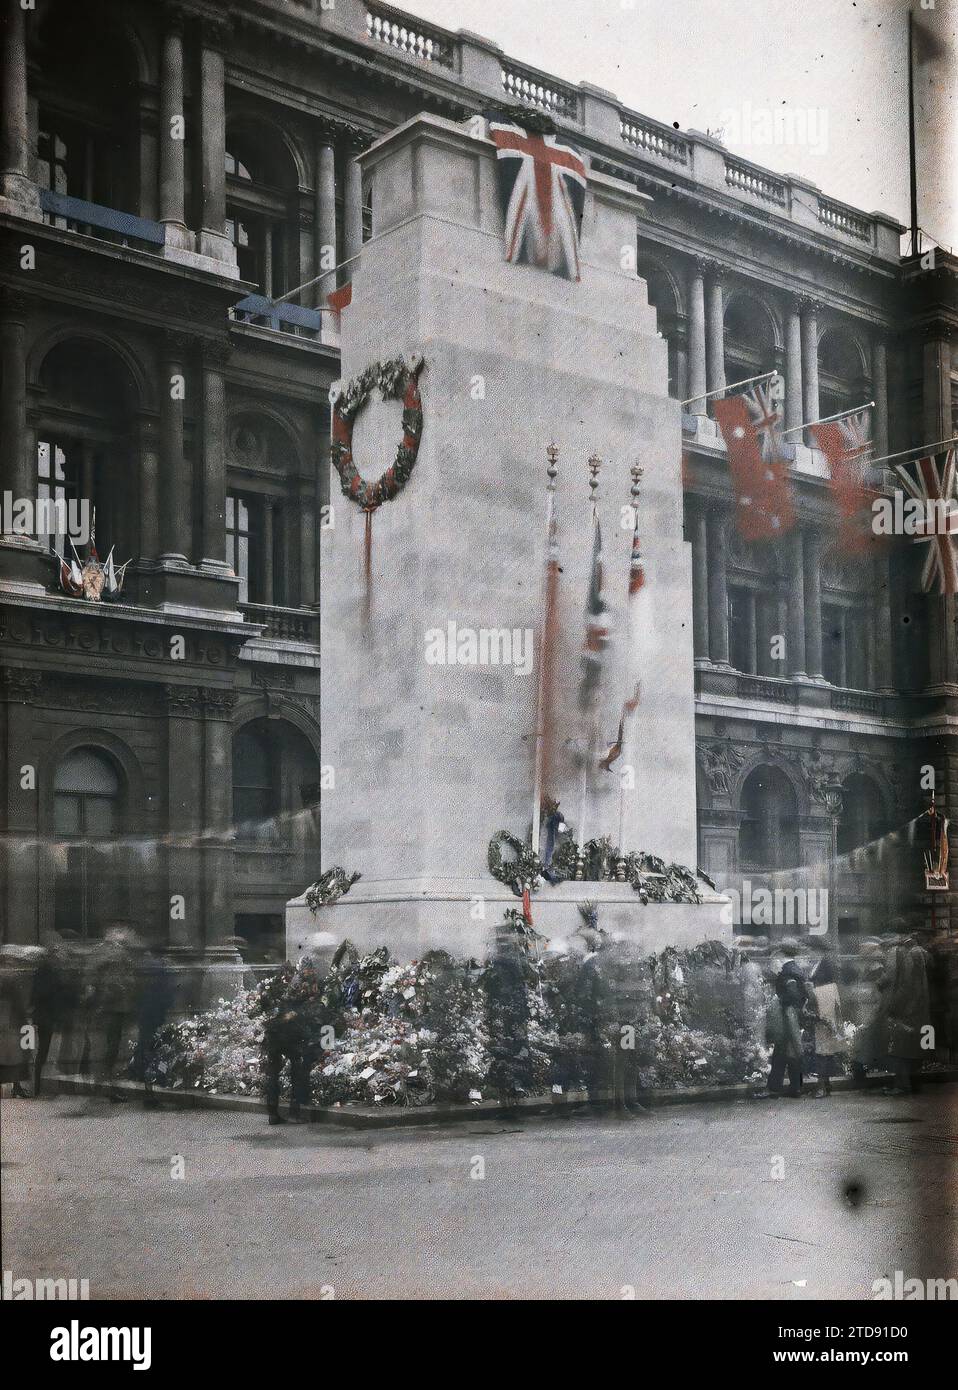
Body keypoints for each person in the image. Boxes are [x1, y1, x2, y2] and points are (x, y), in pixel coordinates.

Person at [251, 955, 325, 1124]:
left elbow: (263, 1007)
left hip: (274, 1032)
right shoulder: (304, 985)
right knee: (296, 1072)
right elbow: (307, 1009)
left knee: (273, 1073)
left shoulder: (272, 985)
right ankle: (294, 1112)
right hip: (291, 1033)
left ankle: (273, 1114)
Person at [756, 942, 810, 1099]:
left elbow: (792, 994)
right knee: (790, 1052)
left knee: (781, 1052)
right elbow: (802, 994)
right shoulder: (796, 969)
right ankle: (796, 1088)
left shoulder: (787, 972)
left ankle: (774, 1088)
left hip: (786, 1016)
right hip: (792, 1015)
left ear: (780, 954)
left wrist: (779, 1000)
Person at [31, 931, 82, 1097]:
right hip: (46, 1017)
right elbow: (41, 993)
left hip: (50, 1016)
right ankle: (38, 1088)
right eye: (54, 953)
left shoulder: (53, 971)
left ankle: (42, 1088)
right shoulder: (45, 971)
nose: (57, 956)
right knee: (45, 1053)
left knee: (47, 1052)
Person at [882, 931, 932, 1095]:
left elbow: (906, 985)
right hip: (923, 1007)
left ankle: (902, 1085)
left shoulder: (909, 955)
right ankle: (915, 1083)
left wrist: (894, 1007)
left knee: (901, 1048)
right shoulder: (924, 953)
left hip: (909, 1008)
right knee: (917, 1047)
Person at [131, 946, 177, 1109]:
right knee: (155, 1053)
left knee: (146, 1051)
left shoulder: (141, 968)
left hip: (144, 1015)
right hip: (155, 1015)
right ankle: (151, 1091)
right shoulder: (159, 969)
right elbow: (167, 994)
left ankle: (147, 1090)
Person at [810, 954, 845, 1097]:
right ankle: (827, 1084)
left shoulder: (817, 990)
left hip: (821, 1025)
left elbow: (816, 1010)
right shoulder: (833, 987)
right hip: (832, 1024)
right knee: (829, 1054)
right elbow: (838, 1007)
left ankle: (821, 1087)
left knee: (821, 1055)